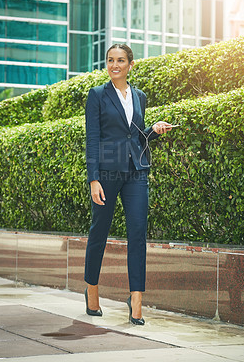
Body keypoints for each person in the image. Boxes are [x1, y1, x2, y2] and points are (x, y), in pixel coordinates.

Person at [84, 43, 173, 325]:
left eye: (120, 60)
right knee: (100, 230)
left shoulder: (140, 96)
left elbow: (136, 137)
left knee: (138, 233)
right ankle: (92, 290)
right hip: (107, 173)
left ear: (130, 64)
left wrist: (154, 130)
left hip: (136, 171)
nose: (114, 65)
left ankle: (136, 299)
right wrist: (93, 178)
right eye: (110, 60)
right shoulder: (97, 95)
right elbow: (93, 138)